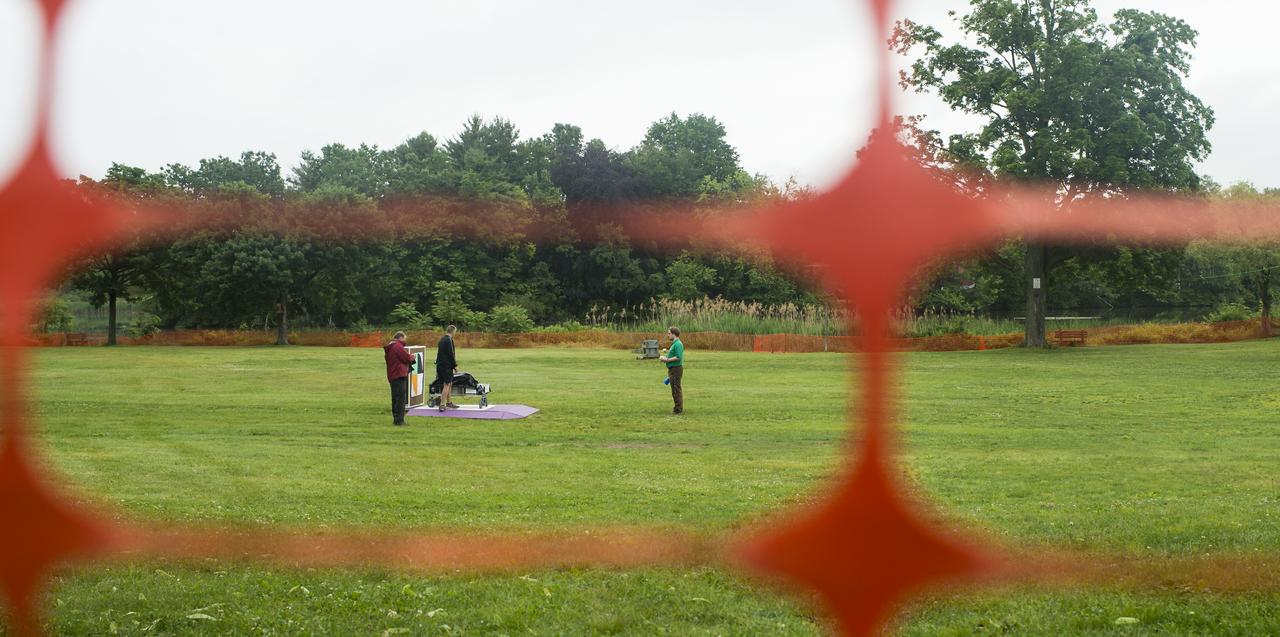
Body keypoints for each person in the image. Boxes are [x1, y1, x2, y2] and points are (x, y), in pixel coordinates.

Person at [383, 331, 413, 426]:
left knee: (395, 398)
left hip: (392, 375)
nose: (405, 340)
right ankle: (399, 420)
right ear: (400, 338)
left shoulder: (391, 346)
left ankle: (396, 418)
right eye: (404, 338)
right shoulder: (397, 346)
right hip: (399, 374)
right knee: (400, 398)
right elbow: (406, 358)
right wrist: (412, 357)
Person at [658, 326, 684, 414]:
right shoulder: (675, 343)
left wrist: (666, 360)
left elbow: (678, 357)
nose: (668, 335)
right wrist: (667, 353)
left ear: (674, 334)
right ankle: (677, 407)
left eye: (669, 333)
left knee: (676, 389)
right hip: (673, 369)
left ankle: (678, 409)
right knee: (674, 389)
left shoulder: (678, 344)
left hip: (676, 369)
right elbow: (674, 354)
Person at [435, 325, 459, 411]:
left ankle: (449, 402)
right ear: (453, 331)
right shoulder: (448, 340)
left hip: (440, 365)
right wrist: (455, 365)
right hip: (446, 366)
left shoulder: (441, 339)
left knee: (449, 383)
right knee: (447, 384)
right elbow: (450, 354)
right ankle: (442, 404)